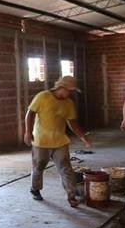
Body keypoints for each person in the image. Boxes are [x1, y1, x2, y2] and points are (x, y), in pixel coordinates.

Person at [24, 76, 91, 207]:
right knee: (39, 166)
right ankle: (35, 189)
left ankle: (71, 195)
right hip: (41, 140)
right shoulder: (42, 97)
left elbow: (72, 123)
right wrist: (28, 131)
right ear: (62, 87)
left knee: (66, 168)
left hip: (60, 141)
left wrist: (83, 137)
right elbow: (30, 113)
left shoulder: (69, 103)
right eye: (69, 90)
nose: (70, 93)